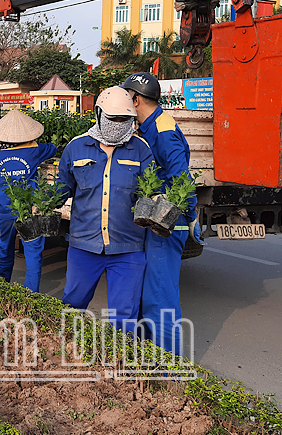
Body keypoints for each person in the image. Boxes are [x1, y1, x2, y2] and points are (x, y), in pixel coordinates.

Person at [57, 86, 153, 333]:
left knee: (123, 317)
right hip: (84, 246)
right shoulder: (76, 148)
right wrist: (37, 202)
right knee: (73, 306)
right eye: (113, 119)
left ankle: (117, 365)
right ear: (99, 114)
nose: (118, 124)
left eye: (125, 120)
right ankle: (68, 356)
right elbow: (62, 188)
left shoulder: (141, 150)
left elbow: (152, 191)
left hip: (128, 249)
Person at [121, 72, 199, 355]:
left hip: (167, 223)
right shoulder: (150, 126)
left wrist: (188, 216)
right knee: (145, 295)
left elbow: (181, 179)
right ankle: (146, 357)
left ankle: (171, 372)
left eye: (126, 99)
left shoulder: (163, 130)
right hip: (155, 221)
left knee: (159, 299)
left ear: (136, 99)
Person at [0, 109, 57, 292]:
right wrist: (31, 143)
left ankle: (2, 289)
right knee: (33, 253)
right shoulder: (34, 149)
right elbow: (53, 148)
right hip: (28, 210)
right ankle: (30, 295)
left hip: (5, 210)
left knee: (5, 249)